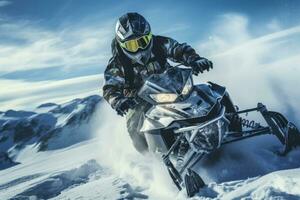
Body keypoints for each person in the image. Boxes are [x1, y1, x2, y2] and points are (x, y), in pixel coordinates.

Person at [103, 12, 213, 153]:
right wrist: (118, 101)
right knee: (135, 127)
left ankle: (231, 121)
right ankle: (157, 158)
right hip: (139, 101)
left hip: (173, 86)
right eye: (132, 45)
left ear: (150, 36)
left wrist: (194, 60)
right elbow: (110, 88)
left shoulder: (159, 43)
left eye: (143, 41)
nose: (139, 49)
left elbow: (178, 50)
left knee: (207, 90)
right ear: (122, 45)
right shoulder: (117, 64)